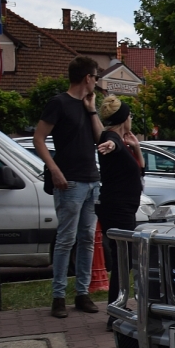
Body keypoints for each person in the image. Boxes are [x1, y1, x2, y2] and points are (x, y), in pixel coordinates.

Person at [34, 56, 113, 319]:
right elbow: (39, 137)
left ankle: (82, 293)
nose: (96, 82)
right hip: (70, 181)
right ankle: (58, 296)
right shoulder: (59, 103)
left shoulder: (86, 104)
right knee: (66, 239)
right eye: (95, 77)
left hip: (91, 179)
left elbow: (100, 137)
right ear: (87, 78)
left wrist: (91, 110)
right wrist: (54, 169)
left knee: (88, 239)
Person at [95, 95, 144, 331]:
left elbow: (139, 171)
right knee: (124, 258)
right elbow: (109, 144)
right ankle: (116, 311)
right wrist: (114, 146)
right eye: (130, 115)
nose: (131, 118)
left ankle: (117, 308)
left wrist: (136, 148)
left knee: (124, 258)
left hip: (124, 207)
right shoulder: (110, 137)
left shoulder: (122, 140)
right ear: (124, 117)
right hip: (117, 208)